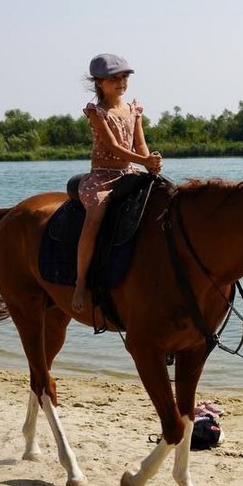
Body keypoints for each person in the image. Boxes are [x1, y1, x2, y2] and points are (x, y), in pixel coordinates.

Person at [71, 53, 162, 313]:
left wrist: (150, 161)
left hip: (130, 171)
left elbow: (139, 143)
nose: (121, 82)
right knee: (94, 217)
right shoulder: (97, 112)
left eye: (124, 77)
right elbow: (112, 146)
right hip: (101, 176)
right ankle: (80, 282)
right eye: (114, 78)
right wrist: (143, 161)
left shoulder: (133, 109)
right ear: (99, 82)